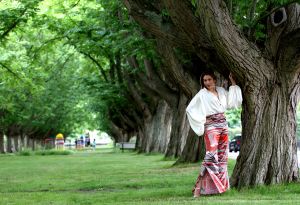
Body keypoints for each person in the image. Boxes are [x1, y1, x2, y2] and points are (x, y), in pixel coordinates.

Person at [186, 71, 242, 197]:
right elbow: (190, 109)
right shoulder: (202, 94)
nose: (207, 82)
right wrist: (202, 122)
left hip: (224, 125)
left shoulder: (221, 91)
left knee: (222, 156)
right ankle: (198, 187)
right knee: (210, 156)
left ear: (214, 80)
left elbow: (232, 102)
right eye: (205, 80)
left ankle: (219, 187)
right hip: (211, 126)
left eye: (209, 79)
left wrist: (233, 83)